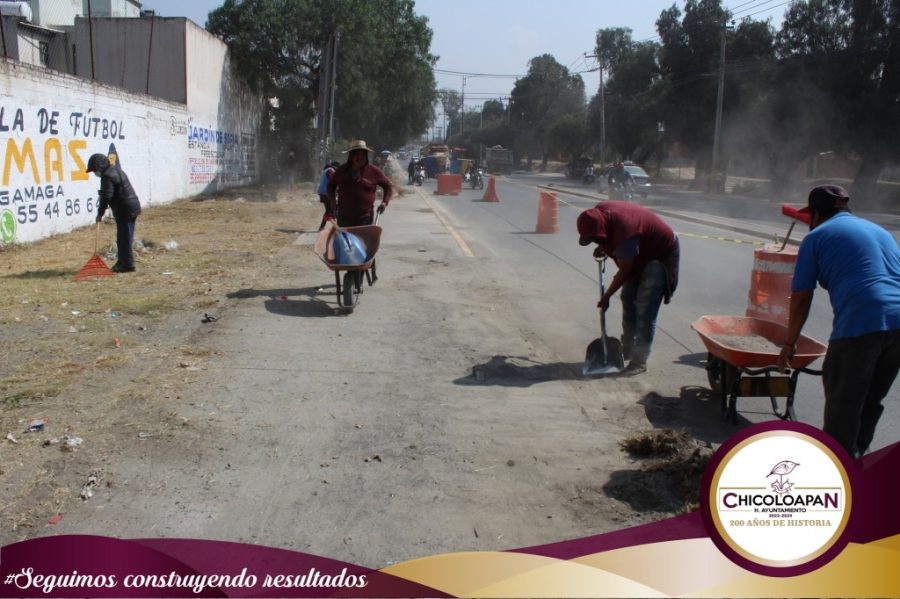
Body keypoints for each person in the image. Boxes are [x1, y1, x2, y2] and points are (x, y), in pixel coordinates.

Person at [777, 185, 900, 458]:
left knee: (842, 409)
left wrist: (789, 343)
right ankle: (857, 462)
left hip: (861, 324)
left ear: (817, 214)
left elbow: (800, 297)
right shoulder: (881, 232)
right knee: (870, 401)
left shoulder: (816, 238)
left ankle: (839, 475)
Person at [577, 201, 680, 374]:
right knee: (628, 297)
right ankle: (628, 348)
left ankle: (640, 361)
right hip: (641, 249)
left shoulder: (625, 234)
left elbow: (625, 271)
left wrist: (607, 296)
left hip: (660, 254)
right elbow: (609, 234)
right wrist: (604, 245)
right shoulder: (599, 212)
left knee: (644, 306)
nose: (595, 242)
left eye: (596, 239)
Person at [87, 153, 141, 273]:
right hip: (130, 207)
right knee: (123, 238)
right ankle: (122, 262)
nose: (95, 173)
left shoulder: (107, 176)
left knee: (124, 238)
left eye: (95, 170)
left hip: (125, 209)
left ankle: (128, 265)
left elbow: (107, 196)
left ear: (99, 167)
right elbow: (111, 193)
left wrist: (99, 214)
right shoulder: (114, 170)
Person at [326, 139, 393, 227]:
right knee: (346, 241)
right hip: (344, 218)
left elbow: (388, 186)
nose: (360, 157)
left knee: (363, 241)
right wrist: (333, 201)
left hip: (365, 218)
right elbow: (331, 186)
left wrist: (384, 202)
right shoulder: (341, 171)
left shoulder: (373, 171)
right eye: (357, 154)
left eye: (363, 155)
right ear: (351, 156)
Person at [316, 161, 339, 230]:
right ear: (336, 167)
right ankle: (340, 226)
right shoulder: (330, 170)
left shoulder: (327, 170)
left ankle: (322, 227)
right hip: (326, 193)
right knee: (332, 210)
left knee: (329, 210)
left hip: (323, 192)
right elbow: (333, 181)